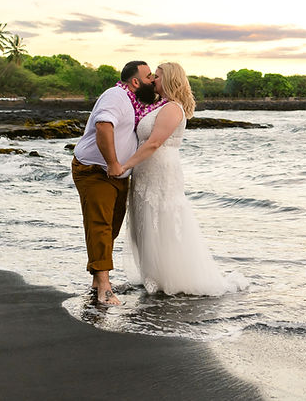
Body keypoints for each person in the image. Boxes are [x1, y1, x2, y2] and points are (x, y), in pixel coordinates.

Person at [120, 62, 246, 296]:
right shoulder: (160, 105)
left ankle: (170, 277)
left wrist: (124, 165)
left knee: (162, 221)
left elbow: (155, 142)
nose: (152, 80)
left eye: (156, 77)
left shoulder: (173, 109)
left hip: (160, 171)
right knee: (144, 222)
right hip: (145, 170)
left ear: (168, 80)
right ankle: (154, 276)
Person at [71, 60, 158, 305]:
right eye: (149, 76)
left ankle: (97, 279)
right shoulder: (116, 96)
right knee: (100, 224)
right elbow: (103, 126)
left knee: (111, 227)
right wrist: (112, 162)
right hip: (96, 170)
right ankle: (105, 289)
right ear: (135, 81)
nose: (152, 80)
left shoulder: (135, 102)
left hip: (117, 175)